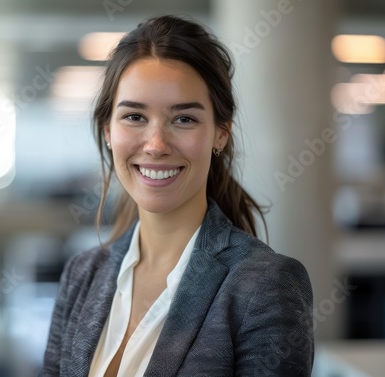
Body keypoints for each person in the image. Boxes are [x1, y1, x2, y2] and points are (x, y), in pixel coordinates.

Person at [40, 15, 314, 377]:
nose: (155, 145)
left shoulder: (264, 285)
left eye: (183, 119)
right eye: (135, 116)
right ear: (108, 130)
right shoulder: (82, 274)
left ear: (220, 134)